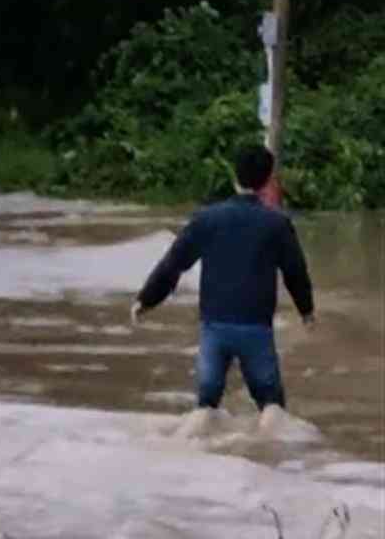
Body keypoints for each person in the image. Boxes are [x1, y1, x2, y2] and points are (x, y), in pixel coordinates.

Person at [130, 144, 316, 415]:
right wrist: (306, 311)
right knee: (272, 408)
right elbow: (295, 272)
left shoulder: (207, 219)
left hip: (214, 329)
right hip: (256, 330)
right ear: (266, 180)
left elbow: (173, 265)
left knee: (206, 408)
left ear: (234, 176)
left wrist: (145, 300)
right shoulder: (277, 224)